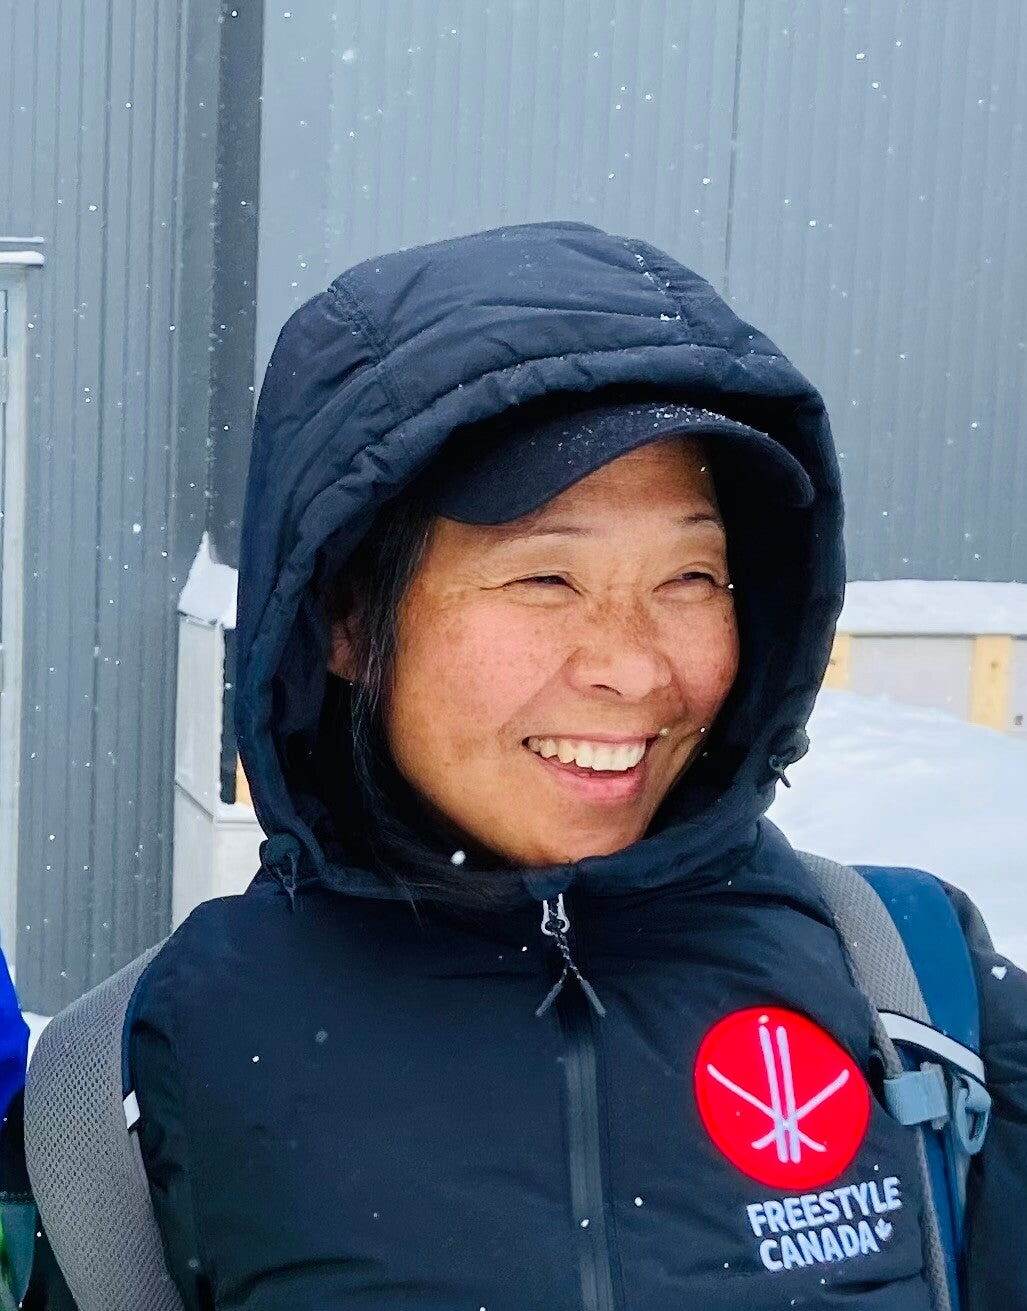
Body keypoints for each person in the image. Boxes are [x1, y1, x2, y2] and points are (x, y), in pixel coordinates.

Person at [88, 223, 1027, 1307]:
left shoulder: (914, 991)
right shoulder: (151, 1067)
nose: (632, 668)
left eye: (690, 577)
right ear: (345, 616)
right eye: (545, 580)